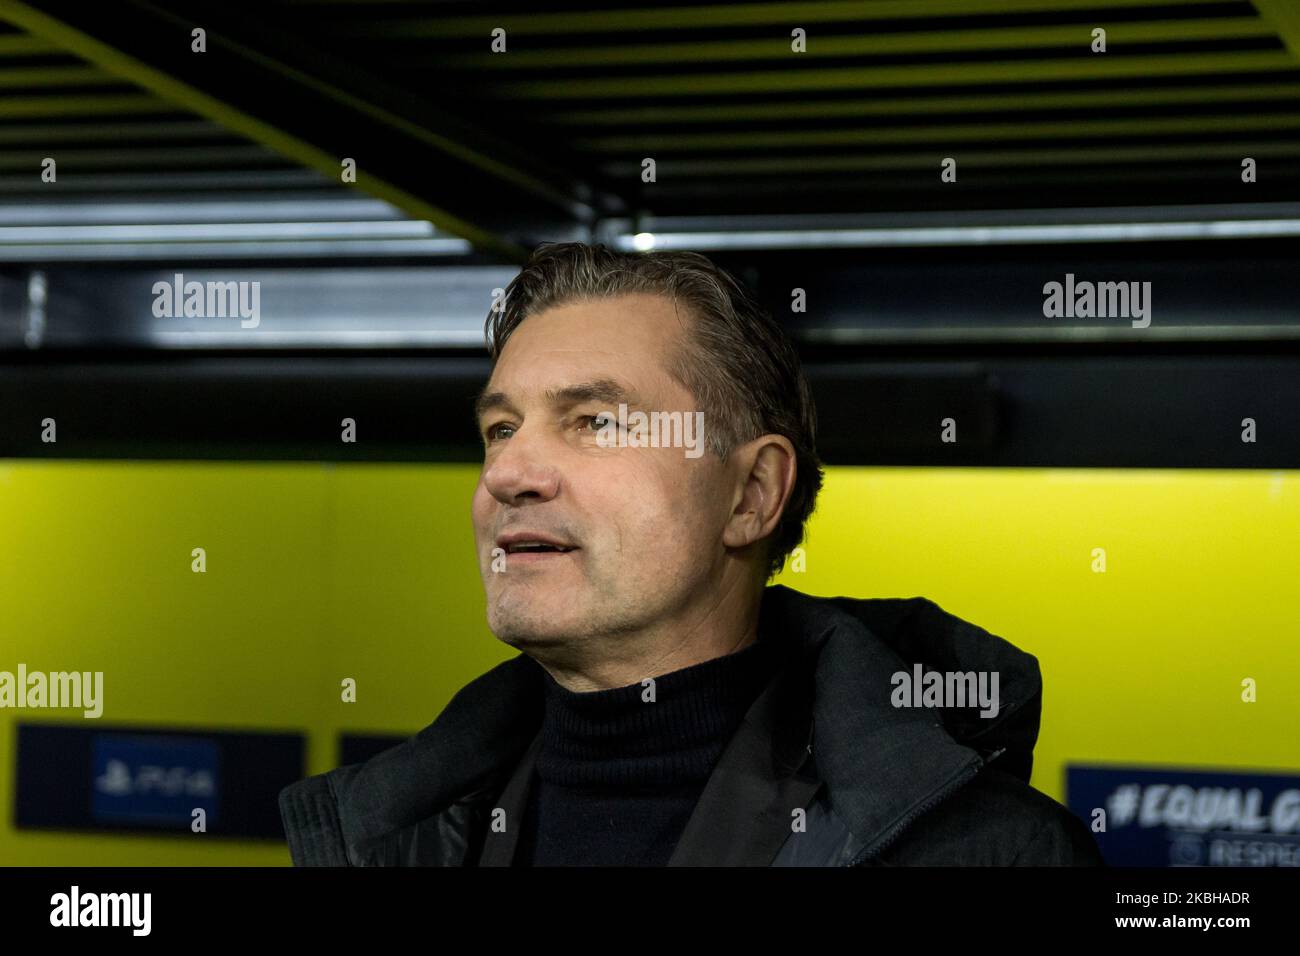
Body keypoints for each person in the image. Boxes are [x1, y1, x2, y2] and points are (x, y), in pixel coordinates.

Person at [278, 242, 1104, 866]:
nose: (508, 474)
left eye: (594, 421)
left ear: (750, 495)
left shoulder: (991, 853)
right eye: (500, 429)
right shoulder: (393, 836)